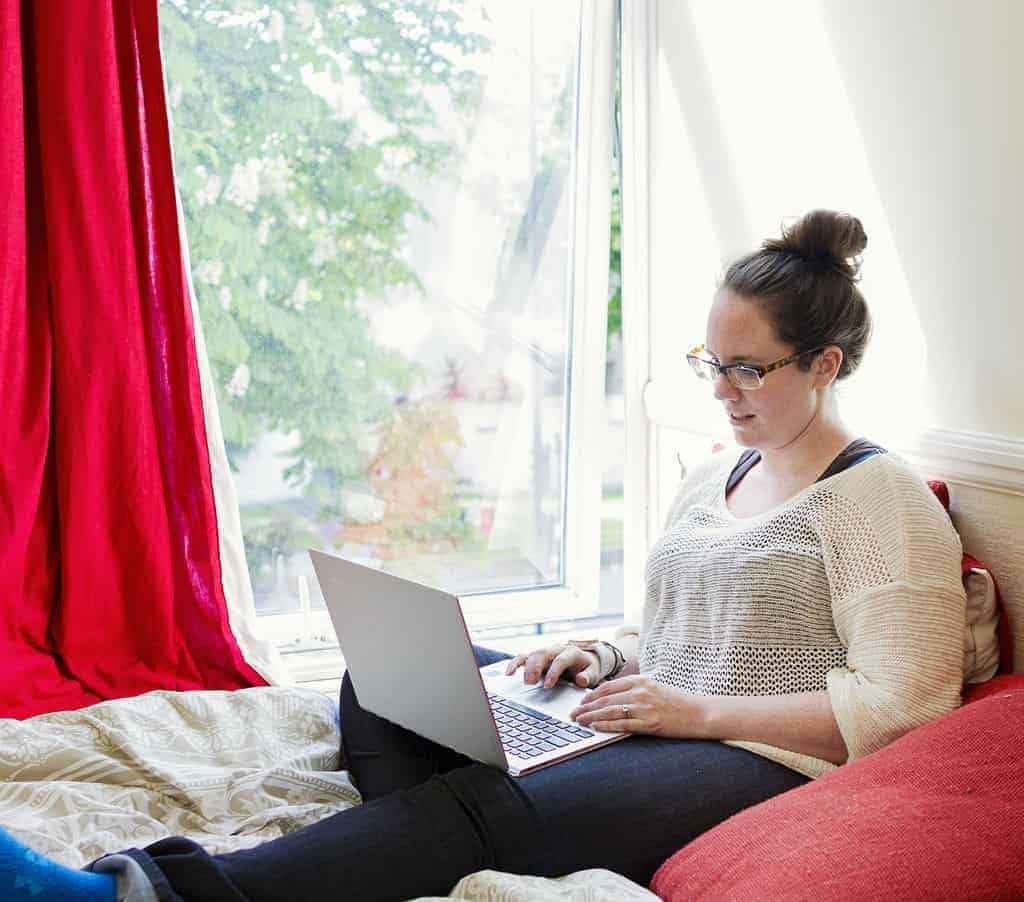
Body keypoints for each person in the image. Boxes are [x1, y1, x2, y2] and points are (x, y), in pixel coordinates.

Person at [0, 210, 968, 902]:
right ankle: (511, 817)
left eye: (747, 369)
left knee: (487, 799)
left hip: (753, 756)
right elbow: (674, 627)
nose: (721, 390)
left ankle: (137, 890)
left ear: (826, 364)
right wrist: (603, 655)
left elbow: (901, 707)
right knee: (379, 683)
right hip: (647, 719)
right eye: (710, 363)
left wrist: (695, 710)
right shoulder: (713, 473)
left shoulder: (874, 498)